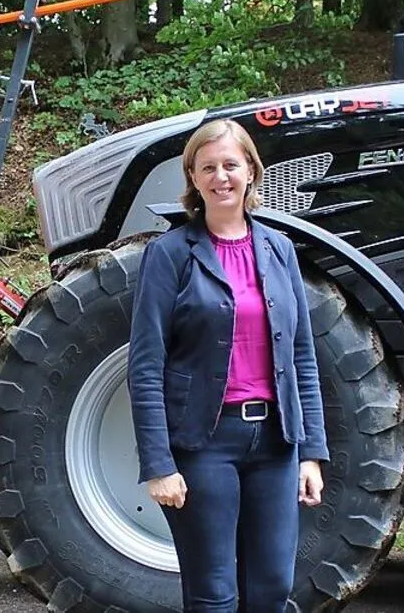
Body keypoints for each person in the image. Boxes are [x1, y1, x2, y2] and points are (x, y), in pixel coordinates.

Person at [128, 118, 329, 612]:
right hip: (204, 445)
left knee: (273, 588)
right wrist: (159, 465)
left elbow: (301, 356)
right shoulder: (169, 254)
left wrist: (311, 453)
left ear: (251, 172)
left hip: (276, 446)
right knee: (213, 593)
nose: (221, 177)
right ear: (193, 178)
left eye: (231, 165)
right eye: (209, 167)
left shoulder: (279, 250)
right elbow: (146, 366)